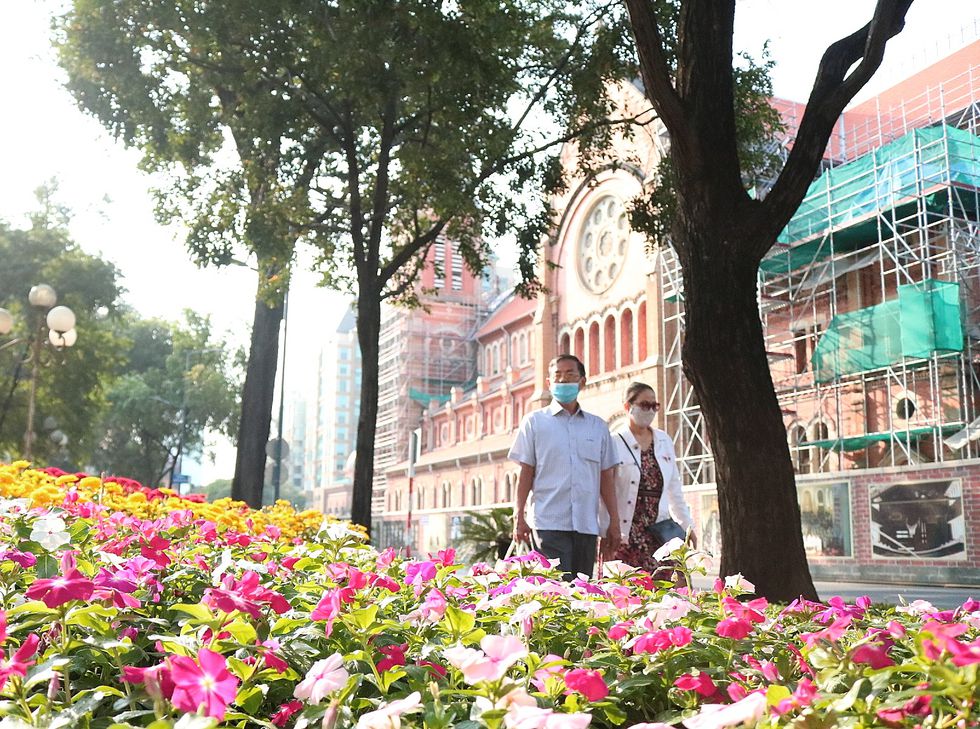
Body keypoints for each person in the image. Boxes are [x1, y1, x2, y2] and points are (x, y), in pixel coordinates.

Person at [508, 354, 621, 579]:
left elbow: (605, 478)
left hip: (586, 526)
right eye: (558, 375)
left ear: (582, 381)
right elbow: (525, 473)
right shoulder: (534, 423)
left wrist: (613, 522)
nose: (564, 380)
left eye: (570, 374)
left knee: (582, 592)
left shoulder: (598, 427)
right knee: (556, 591)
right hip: (549, 523)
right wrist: (518, 517)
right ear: (549, 383)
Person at [603, 381, 695, 575]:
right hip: (624, 533)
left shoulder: (664, 441)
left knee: (662, 594)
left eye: (654, 406)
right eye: (645, 405)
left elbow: (674, 489)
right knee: (625, 595)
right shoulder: (613, 441)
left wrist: (687, 526)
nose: (650, 410)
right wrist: (607, 526)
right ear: (628, 406)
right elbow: (604, 490)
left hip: (658, 533)